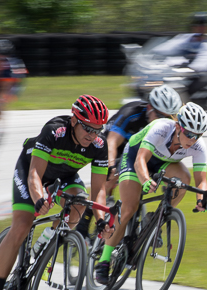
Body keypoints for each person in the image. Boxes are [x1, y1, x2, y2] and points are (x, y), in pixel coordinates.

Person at [0, 95, 113, 290]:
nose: (92, 136)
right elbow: (35, 173)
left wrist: (101, 221)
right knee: (22, 225)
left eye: (97, 130)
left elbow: (99, 190)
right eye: (88, 129)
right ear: (74, 121)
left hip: (63, 176)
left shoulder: (99, 145)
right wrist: (39, 199)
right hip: (31, 170)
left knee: (79, 206)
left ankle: (45, 243)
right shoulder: (54, 131)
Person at [94, 102, 207, 284]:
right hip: (135, 157)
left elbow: (201, 181)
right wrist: (145, 180)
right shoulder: (161, 128)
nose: (192, 140)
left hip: (162, 162)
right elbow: (140, 159)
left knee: (184, 180)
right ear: (178, 126)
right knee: (128, 209)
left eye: (198, 135)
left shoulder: (198, 146)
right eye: (189, 134)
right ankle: (104, 260)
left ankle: (157, 216)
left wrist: (201, 198)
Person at [74, 84, 182, 241]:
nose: (165, 121)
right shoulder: (132, 114)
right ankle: (84, 224)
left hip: (141, 153)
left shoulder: (169, 128)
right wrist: (110, 165)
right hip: (115, 147)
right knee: (110, 175)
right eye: (160, 116)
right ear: (150, 108)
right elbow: (111, 143)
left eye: (170, 117)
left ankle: (152, 223)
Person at [149, 12, 207, 104]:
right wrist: (153, 55)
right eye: (198, 25)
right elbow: (168, 47)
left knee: (186, 86)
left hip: (200, 74)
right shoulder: (185, 39)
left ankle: (187, 107)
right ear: (193, 26)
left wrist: (192, 68)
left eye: (203, 25)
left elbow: (204, 60)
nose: (201, 28)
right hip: (181, 71)